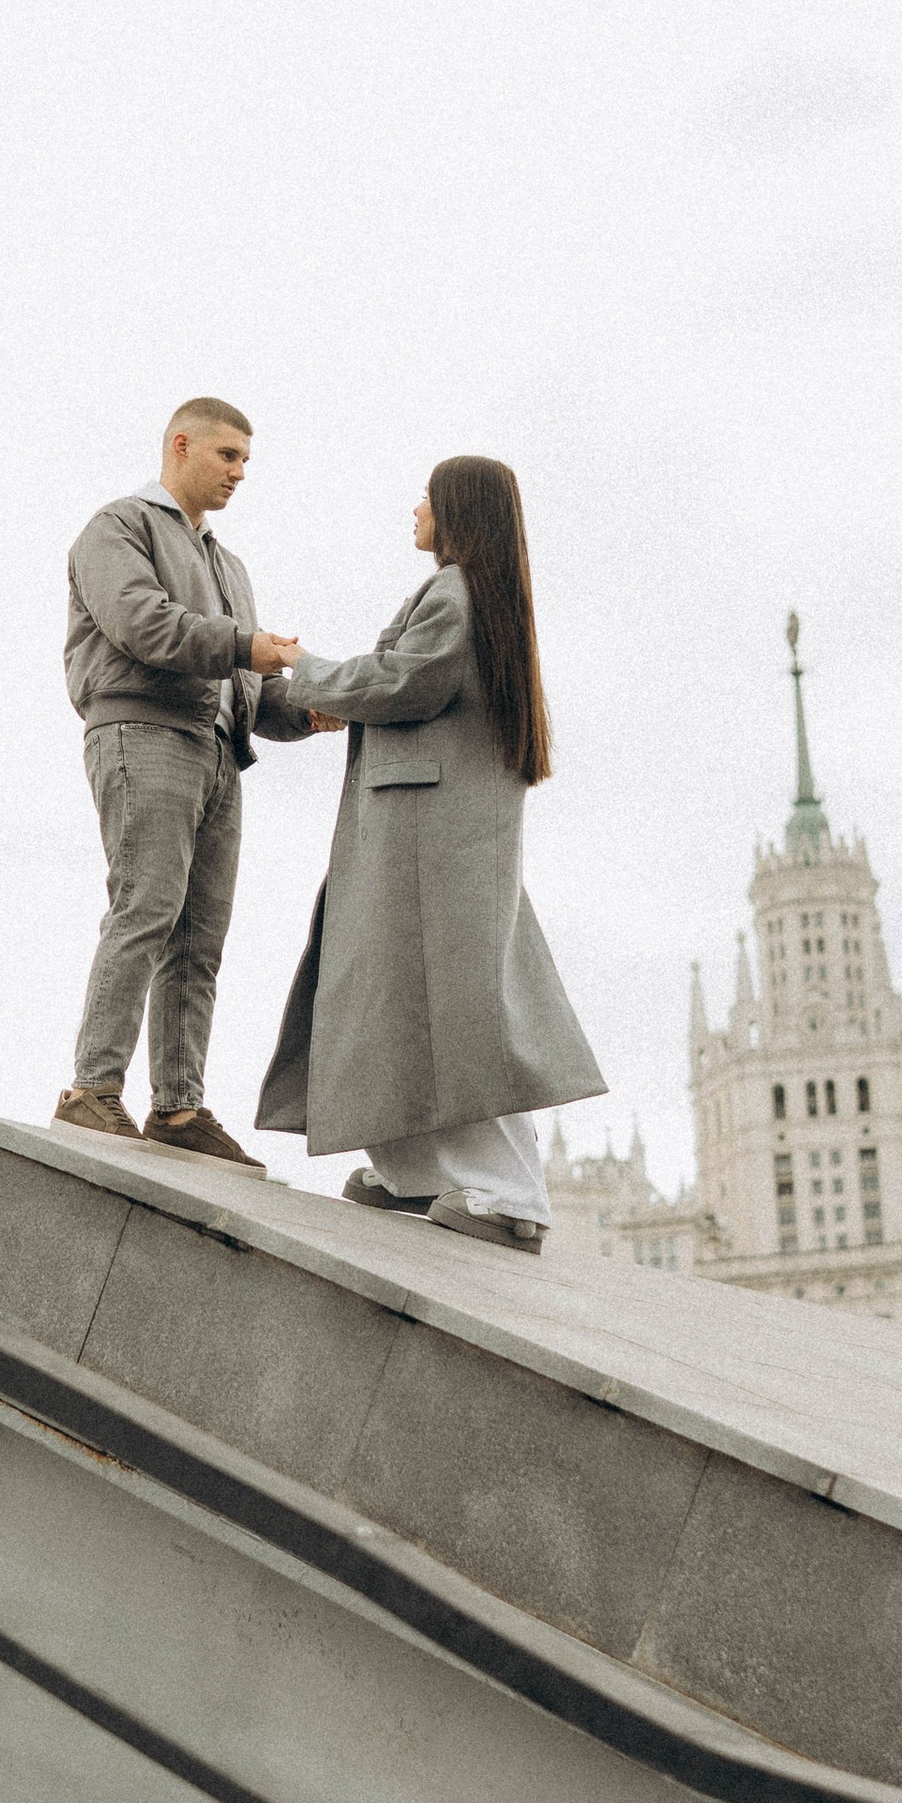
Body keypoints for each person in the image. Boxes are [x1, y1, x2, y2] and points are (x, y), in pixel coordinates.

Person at [255, 456, 602, 1251]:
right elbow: (404, 684)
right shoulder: (478, 593)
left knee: (456, 1011)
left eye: (427, 496)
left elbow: (403, 681)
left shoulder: (455, 592)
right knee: (405, 1003)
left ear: (455, 511)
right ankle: (419, 1175)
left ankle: (511, 1197)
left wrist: (295, 668)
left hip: (426, 832)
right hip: (425, 829)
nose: (414, 507)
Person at [57, 399, 314, 1167]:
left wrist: (309, 711)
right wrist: (247, 645)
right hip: (142, 734)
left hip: (216, 752)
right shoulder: (118, 527)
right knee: (147, 907)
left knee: (200, 937)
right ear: (181, 446)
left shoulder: (230, 565)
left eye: (246, 461)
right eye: (228, 456)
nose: (240, 473)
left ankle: (177, 1108)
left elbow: (249, 688)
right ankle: (91, 1092)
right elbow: (144, 625)